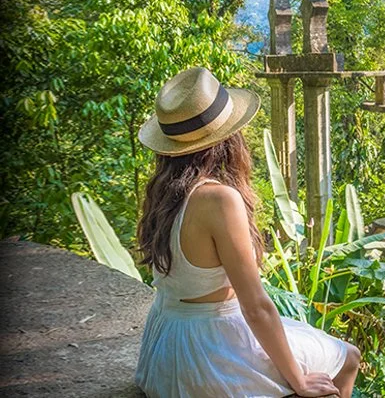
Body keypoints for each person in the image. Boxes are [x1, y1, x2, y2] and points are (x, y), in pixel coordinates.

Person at [134, 67, 360, 397]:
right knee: (348, 357)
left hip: (166, 345)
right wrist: (299, 380)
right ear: (228, 139)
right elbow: (255, 307)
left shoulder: (164, 194)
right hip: (210, 350)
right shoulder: (219, 199)